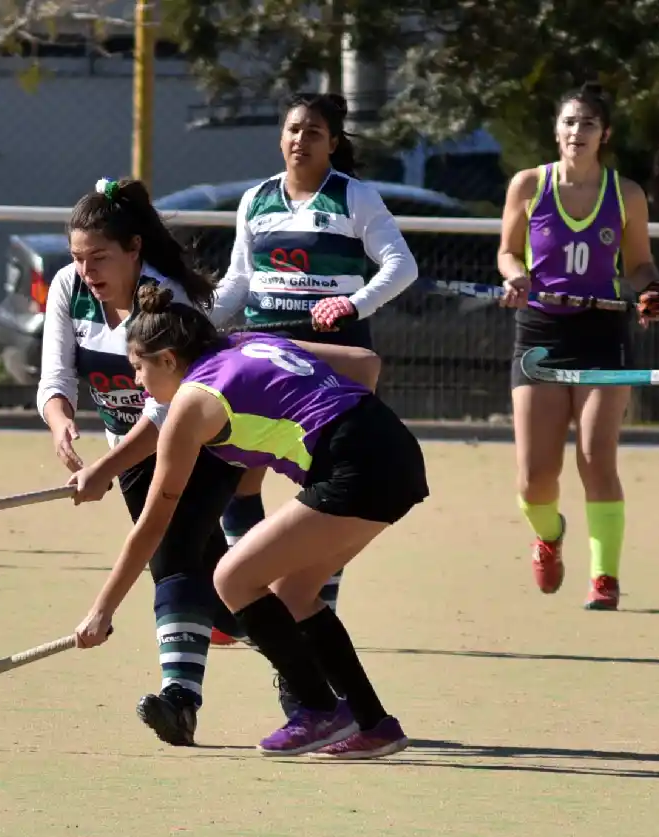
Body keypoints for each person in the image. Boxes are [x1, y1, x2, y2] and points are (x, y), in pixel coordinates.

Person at [72, 283, 428, 760]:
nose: (136, 382)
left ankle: (320, 709)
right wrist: (329, 422)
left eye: (138, 367)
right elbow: (365, 363)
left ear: (169, 359)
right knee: (294, 594)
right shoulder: (246, 343)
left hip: (354, 468)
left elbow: (155, 526)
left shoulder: (191, 404)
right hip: (395, 449)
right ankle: (375, 724)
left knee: (232, 577)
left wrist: (102, 610)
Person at [36, 176, 249, 747]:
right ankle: (302, 648)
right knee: (223, 590)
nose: (87, 271)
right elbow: (55, 378)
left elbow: (165, 409)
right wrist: (62, 428)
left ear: (134, 251)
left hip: (203, 442)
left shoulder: (167, 302)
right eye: (79, 258)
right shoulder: (67, 287)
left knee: (171, 555)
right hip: (129, 454)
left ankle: (180, 701)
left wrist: (105, 469)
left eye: (100, 257)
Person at [206, 92, 418, 656]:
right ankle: (251, 601)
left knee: (328, 489)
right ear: (281, 137)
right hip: (265, 357)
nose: (302, 140)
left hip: (334, 357)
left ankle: (312, 606)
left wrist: (354, 305)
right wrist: (197, 319)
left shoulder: (354, 197)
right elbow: (239, 281)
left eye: (315, 132)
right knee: (237, 473)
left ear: (333, 142)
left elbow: (401, 265)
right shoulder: (255, 199)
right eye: (294, 129)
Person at [497, 81, 659, 611]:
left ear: (605, 134)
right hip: (541, 335)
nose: (578, 132)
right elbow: (508, 254)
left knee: (597, 457)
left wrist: (652, 292)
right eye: (570, 122)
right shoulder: (529, 186)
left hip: (602, 335)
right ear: (556, 131)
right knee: (535, 478)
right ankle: (549, 536)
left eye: (589, 124)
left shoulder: (627, 195)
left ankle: (604, 576)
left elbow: (640, 265)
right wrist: (517, 277)